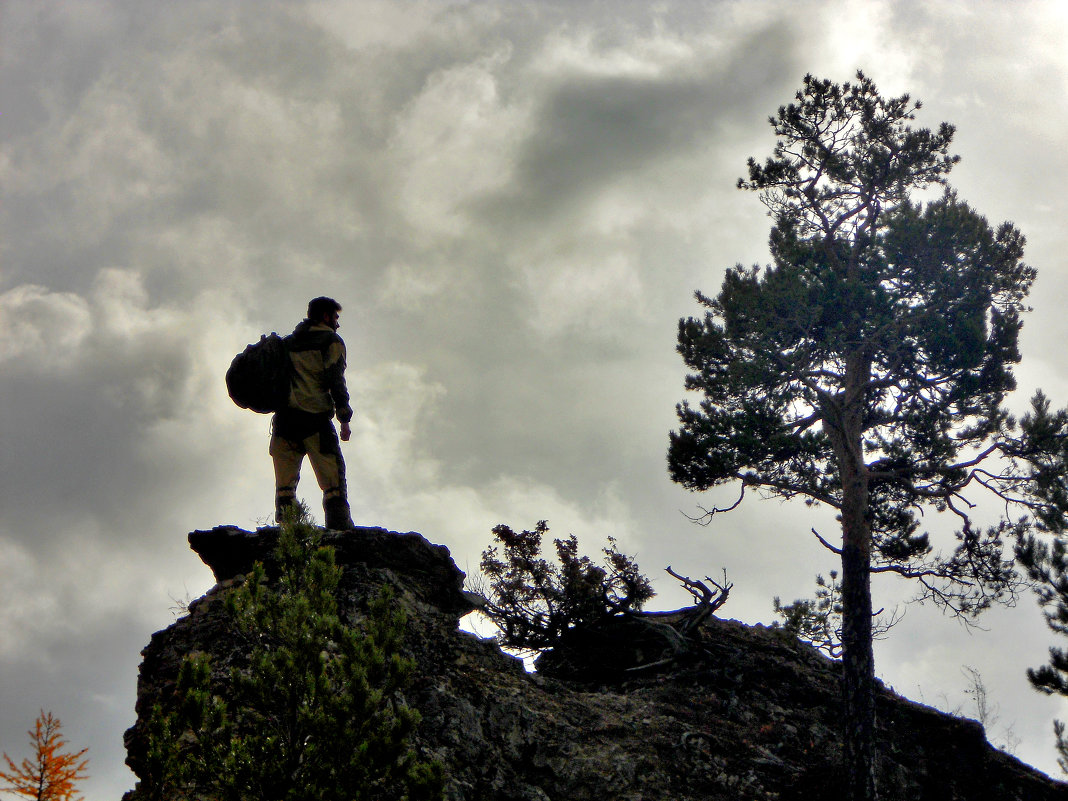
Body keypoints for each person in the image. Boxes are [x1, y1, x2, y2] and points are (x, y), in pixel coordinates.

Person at [271, 296, 355, 530]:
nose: (337, 323)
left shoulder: (287, 343)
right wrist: (344, 418)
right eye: (335, 317)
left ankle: (288, 534)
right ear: (326, 316)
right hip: (315, 420)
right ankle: (339, 531)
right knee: (333, 481)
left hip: (284, 423)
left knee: (285, 486)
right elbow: (336, 380)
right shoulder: (331, 341)